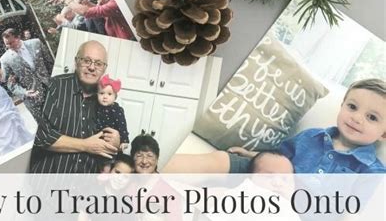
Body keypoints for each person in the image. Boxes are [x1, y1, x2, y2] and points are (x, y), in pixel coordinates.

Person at [30, 40, 121, 221]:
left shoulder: (106, 100)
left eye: (98, 63)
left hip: (81, 198)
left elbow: (111, 148)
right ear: (77, 60)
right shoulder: (56, 86)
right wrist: (85, 144)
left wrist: (117, 141)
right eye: (87, 60)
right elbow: (41, 135)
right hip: (49, 187)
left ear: (105, 68)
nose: (92, 67)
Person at [163, 79, 386, 174]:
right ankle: (155, 168)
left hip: (298, 213)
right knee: (223, 159)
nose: (357, 118)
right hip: (268, 177)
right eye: (353, 106)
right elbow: (281, 157)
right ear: (342, 105)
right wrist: (253, 154)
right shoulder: (312, 137)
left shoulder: (372, 172)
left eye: (372, 118)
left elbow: (353, 216)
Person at [0, 28, 53, 122]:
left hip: (51, 89)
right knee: (46, 128)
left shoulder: (36, 43)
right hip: (32, 99)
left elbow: (50, 63)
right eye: (7, 44)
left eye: (11, 42)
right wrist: (24, 92)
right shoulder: (5, 59)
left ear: (18, 37)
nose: (9, 46)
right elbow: (10, 84)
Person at [57, 0, 133, 40]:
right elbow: (97, 9)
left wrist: (65, 0)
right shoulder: (112, 4)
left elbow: (86, 12)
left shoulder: (115, 3)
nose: (98, 2)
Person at [96, 74, 129, 171]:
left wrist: (124, 140)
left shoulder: (117, 110)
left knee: (107, 163)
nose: (105, 97)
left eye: (109, 94)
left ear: (115, 97)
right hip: (96, 141)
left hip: (110, 142)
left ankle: (105, 175)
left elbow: (122, 125)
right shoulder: (95, 107)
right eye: (102, 93)